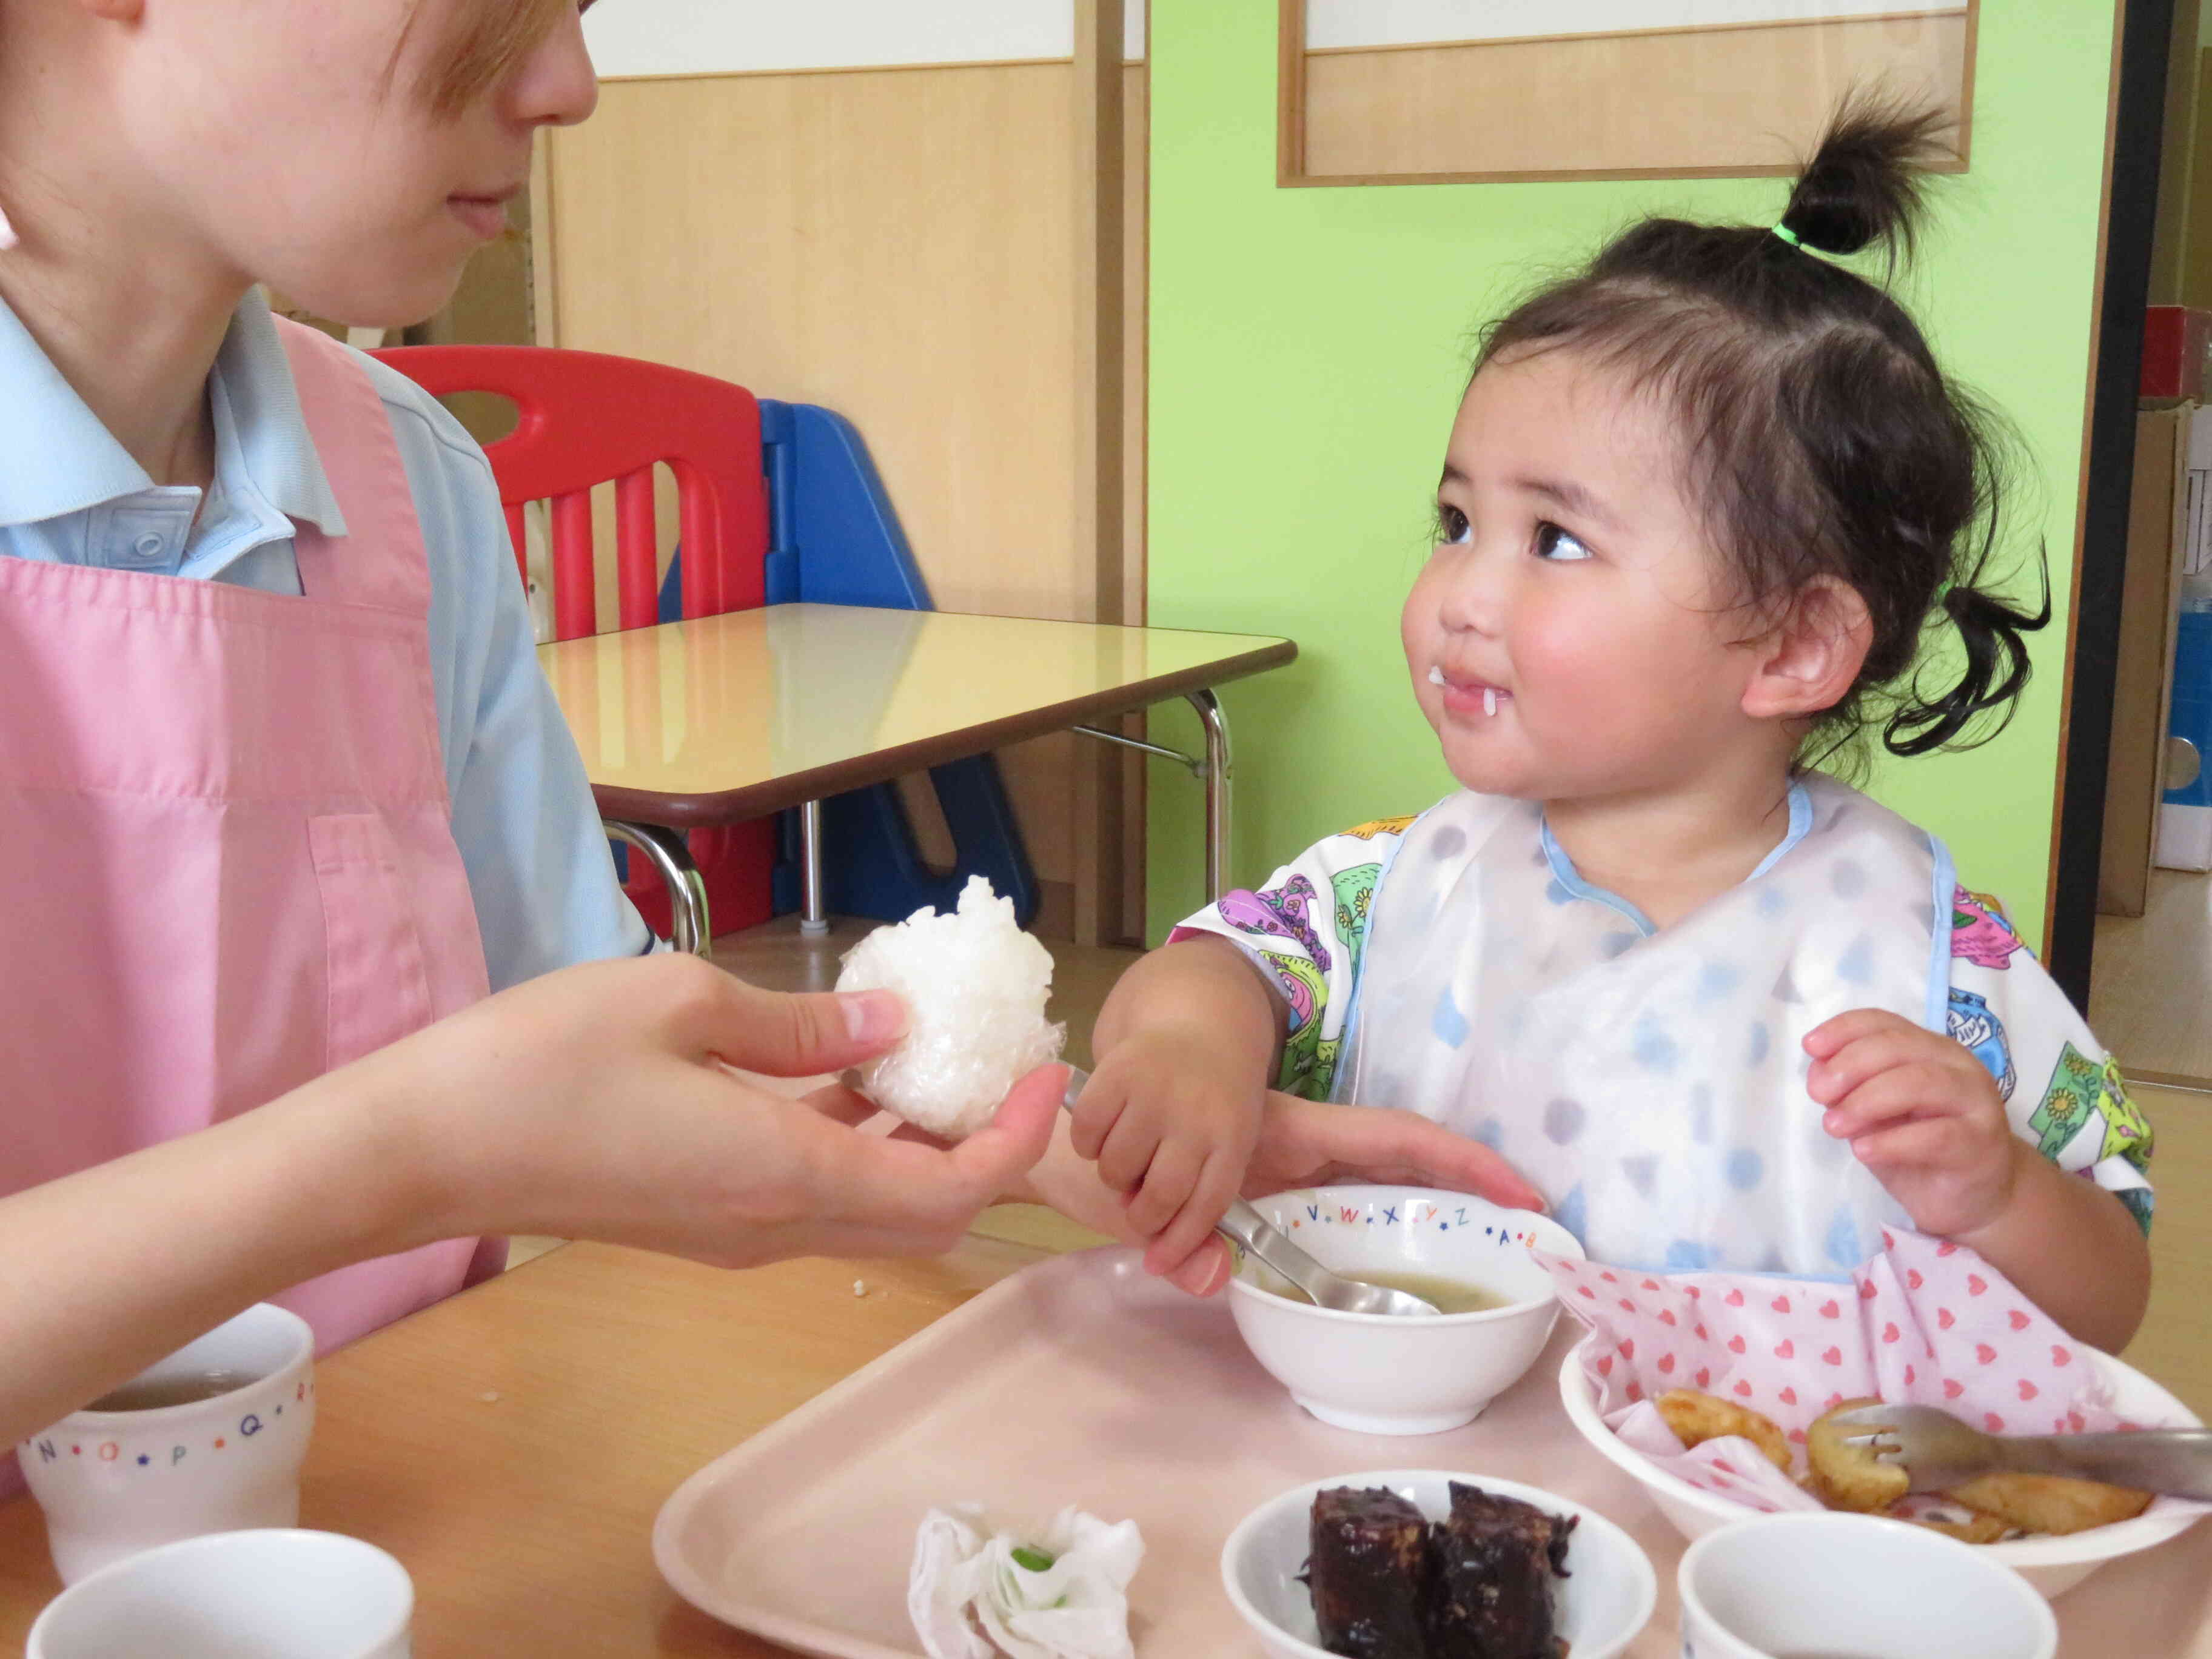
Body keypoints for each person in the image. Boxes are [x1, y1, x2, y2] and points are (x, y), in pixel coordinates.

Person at [0, 0, 1544, 1456]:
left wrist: (1068, 1135)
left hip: (391, 1501)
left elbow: (592, 1021)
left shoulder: (408, 482)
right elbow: (472, 1113)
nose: (569, 84)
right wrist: (405, 1154)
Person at [1070, 96, 2154, 1353]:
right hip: (1424, 1485)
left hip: (1754, 1521)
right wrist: (1189, 1049)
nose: (1459, 596)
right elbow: (1225, 964)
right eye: (1457, 521)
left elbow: (2112, 1295)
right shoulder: (1406, 884)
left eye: (1558, 540)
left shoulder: (1930, 963)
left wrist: (2005, 1194)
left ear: (1795, 643)